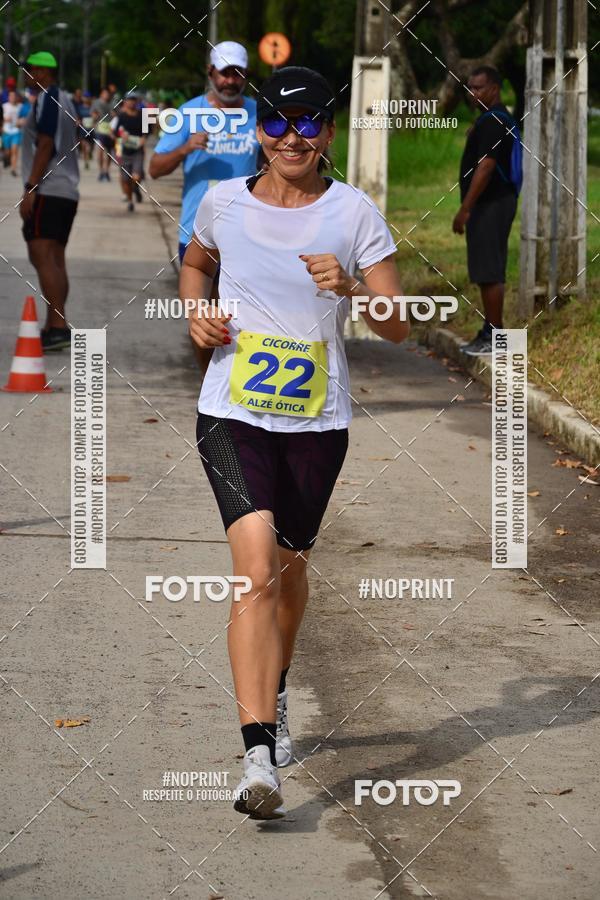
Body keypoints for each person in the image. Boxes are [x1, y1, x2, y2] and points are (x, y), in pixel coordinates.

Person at [181, 66, 410, 820]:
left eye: (308, 123)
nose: (292, 137)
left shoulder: (353, 213)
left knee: (288, 566)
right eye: (278, 122)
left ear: (329, 133)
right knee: (253, 570)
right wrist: (197, 314)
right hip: (231, 413)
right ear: (259, 130)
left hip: (317, 422)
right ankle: (257, 757)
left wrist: (349, 288)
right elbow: (195, 259)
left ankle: (274, 684)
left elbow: (397, 322)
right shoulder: (224, 203)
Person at [149, 41, 258, 263]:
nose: (230, 81)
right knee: (197, 299)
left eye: (237, 74)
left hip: (245, 234)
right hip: (197, 233)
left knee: (236, 300)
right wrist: (185, 148)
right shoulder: (188, 112)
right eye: (224, 73)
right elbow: (155, 169)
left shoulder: (259, 113)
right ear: (210, 72)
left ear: (246, 75)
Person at [453, 65, 520, 356]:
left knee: (490, 271)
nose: (472, 93)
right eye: (469, 88)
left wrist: (465, 209)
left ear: (494, 88)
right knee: (487, 270)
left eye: (478, 88)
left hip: (491, 203)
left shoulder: (493, 122)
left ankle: (495, 337)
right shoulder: (493, 119)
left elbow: (487, 166)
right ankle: (490, 331)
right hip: (494, 203)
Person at [20, 51, 79, 352]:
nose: (28, 75)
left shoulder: (46, 97)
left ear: (43, 72)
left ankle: (57, 325)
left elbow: (45, 143)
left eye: (30, 70)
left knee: (42, 255)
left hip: (49, 188)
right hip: (68, 190)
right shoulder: (66, 99)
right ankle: (54, 324)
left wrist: (31, 188)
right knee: (55, 258)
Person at [111, 92, 146, 211]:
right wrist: (122, 136)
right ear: (125, 102)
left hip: (138, 151)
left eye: (133, 100)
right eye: (129, 100)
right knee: (126, 179)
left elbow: (147, 131)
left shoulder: (142, 115)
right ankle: (130, 201)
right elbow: (115, 133)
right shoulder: (121, 116)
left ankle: (136, 187)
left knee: (136, 177)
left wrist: (143, 139)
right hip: (125, 151)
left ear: (137, 101)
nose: (131, 102)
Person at [91, 87, 115, 181]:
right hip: (99, 129)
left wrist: (114, 115)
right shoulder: (96, 103)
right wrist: (94, 116)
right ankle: (101, 171)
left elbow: (116, 115)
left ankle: (106, 171)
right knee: (99, 151)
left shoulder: (112, 104)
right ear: (101, 94)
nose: (106, 96)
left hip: (110, 130)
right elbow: (92, 113)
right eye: (104, 94)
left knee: (108, 152)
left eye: (107, 94)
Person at [2, 89, 22, 175]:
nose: (12, 98)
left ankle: (13, 169)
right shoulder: (4, 106)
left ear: (16, 97)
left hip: (16, 131)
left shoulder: (20, 106)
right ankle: (6, 159)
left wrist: (21, 121)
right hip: (6, 131)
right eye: (11, 96)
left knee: (15, 150)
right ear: (8, 97)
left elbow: (25, 116)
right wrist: (5, 120)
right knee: (8, 152)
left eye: (14, 96)